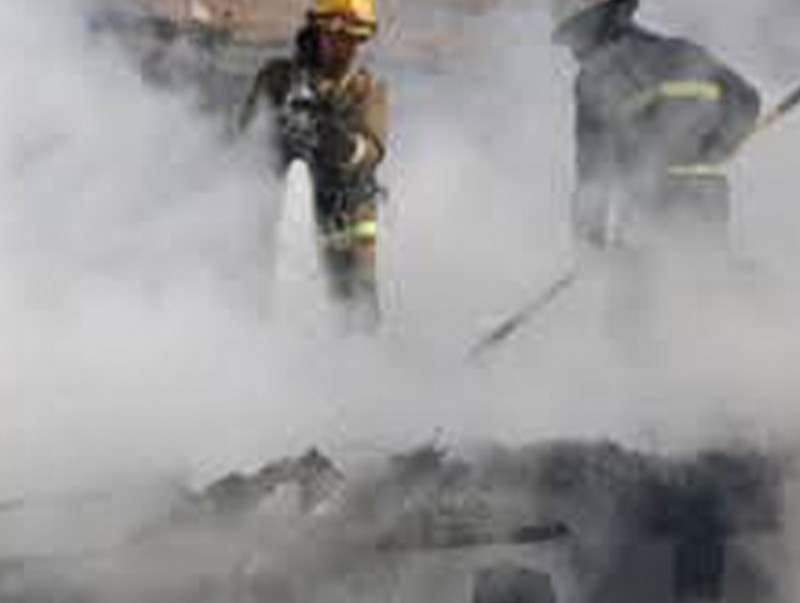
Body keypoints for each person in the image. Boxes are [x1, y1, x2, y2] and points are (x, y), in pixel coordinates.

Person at [550, 0, 762, 344]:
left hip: (648, 207)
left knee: (634, 322)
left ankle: (645, 368)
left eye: (574, 35)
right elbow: (747, 101)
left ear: (594, 25)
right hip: (706, 195)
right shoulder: (682, 51)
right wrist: (719, 144)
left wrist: (589, 243)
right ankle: (750, 320)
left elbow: (593, 173)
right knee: (705, 282)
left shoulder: (595, 78)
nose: (573, 48)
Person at [238, 0, 388, 329]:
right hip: (272, 201)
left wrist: (344, 145)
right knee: (247, 277)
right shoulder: (277, 79)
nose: (344, 47)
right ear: (317, 30)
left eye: (352, 39)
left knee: (355, 299)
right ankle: (246, 339)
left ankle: (362, 352)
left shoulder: (366, 90)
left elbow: (373, 150)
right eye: (335, 36)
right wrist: (274, 133)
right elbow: (244, 140)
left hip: (346, 210)